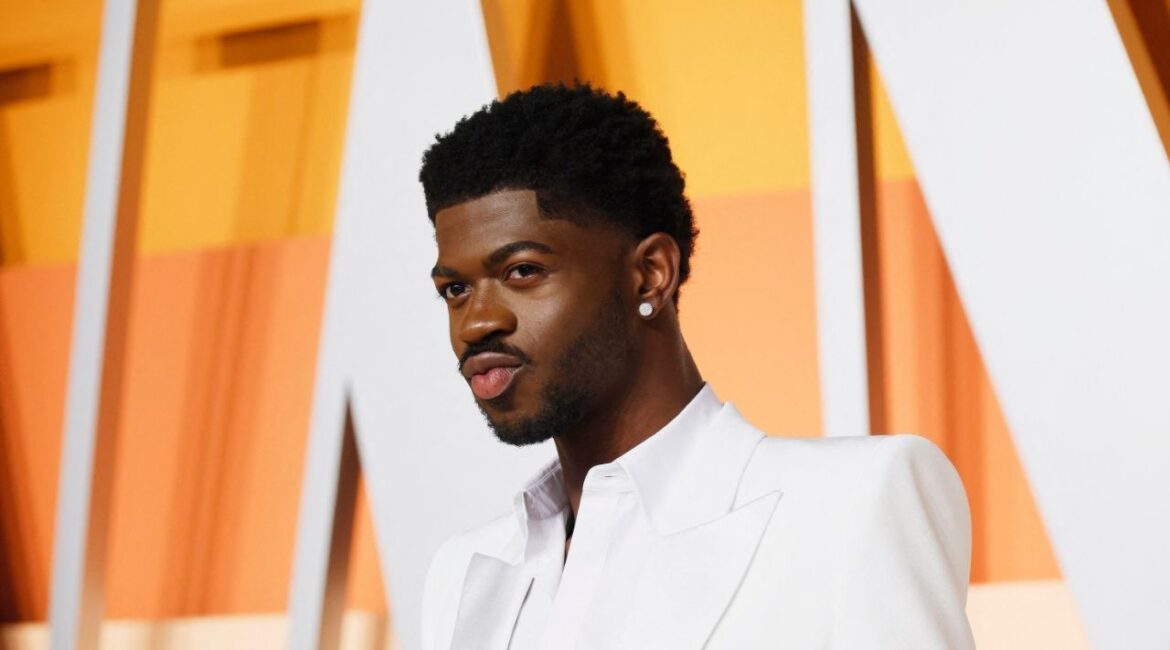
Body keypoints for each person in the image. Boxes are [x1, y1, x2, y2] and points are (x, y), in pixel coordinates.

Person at [417, 83, 974, 649]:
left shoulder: (851, 506)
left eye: (522, 271)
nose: (476, 322)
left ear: (651, 274)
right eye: (455, 289)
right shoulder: (462, 571)